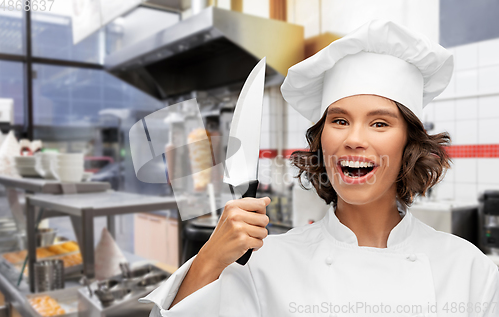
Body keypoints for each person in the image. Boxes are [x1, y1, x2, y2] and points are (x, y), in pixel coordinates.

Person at [140, 19, 499, 317]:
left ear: (409, 145)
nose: (354, 139)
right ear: (321, 141)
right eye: (339, 121)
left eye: (379, 124)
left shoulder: (469, 269)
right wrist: (210, 259)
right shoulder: (267, 264)